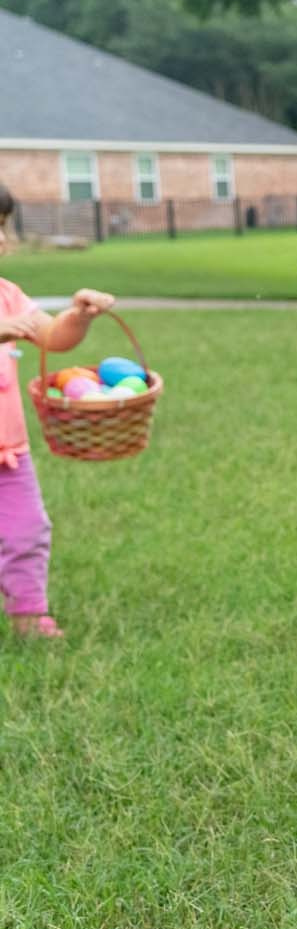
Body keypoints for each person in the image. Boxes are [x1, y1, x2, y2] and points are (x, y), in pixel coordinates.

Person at [0, 182, 118, 640]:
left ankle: (28, 613)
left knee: (27, 531)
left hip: (10, 452)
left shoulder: (7, 294)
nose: (2, 240)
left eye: (3, 228)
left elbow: (51, 337)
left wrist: (80, 317)